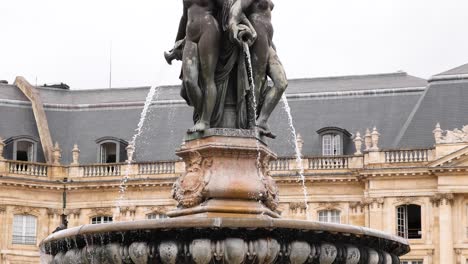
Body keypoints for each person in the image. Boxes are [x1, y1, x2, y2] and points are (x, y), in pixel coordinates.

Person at [229, 0, 288, 138]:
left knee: (281, 83)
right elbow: (236, 10)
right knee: (258, 80)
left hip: (267, 40)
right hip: (258, 35)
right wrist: (234, 25)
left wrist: (272, 45)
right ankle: (251, 122)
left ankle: (262, 120)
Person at [167, 0, 221, 133]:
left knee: (208, 78)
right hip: (190, 35)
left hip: (209, 29)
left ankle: (205, 120)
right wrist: (176, 43)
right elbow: (184, 17)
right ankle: (202, 113)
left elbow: (228, 9)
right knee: (188, 81)